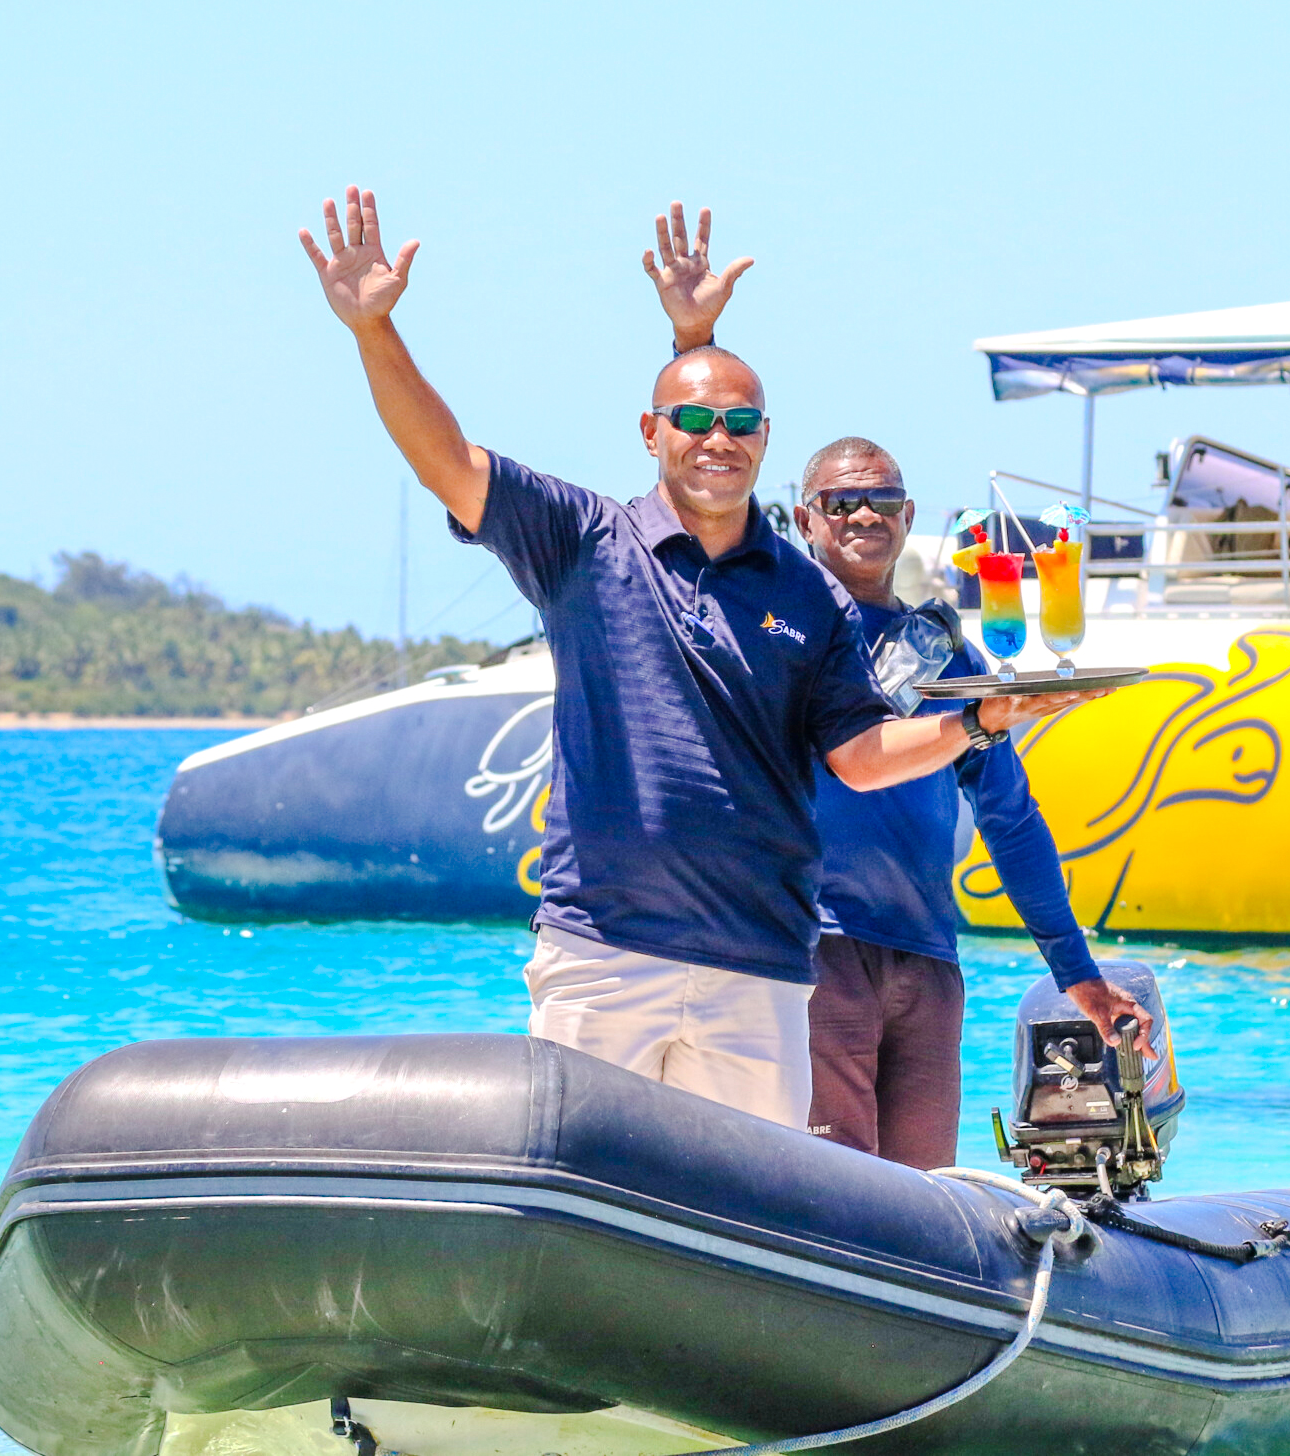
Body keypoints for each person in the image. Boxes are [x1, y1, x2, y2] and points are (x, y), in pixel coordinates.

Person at [298, 188, 1107, 1129]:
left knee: (766, 1228)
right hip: (604, 958)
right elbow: (447, 460)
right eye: (690, 423)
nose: (714, 439)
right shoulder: (582, 541)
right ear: (650, 433)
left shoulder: (806, 596)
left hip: (758, 975)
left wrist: (978, 719)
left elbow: (859, 756)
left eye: (739, 425)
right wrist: (373, 331)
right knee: (591, 1204)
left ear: (766, 440)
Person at [784, 436, 1150, 1167]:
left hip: (926, 962)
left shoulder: (951, 656)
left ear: (908, 514)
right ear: (805, 519)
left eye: (881, 500)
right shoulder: (782, 635)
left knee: (924, 1197)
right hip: (816, 951)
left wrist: (1075, 972)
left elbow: (1011, 823)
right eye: (840, 501)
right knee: (836, 1191)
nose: (863, 514)